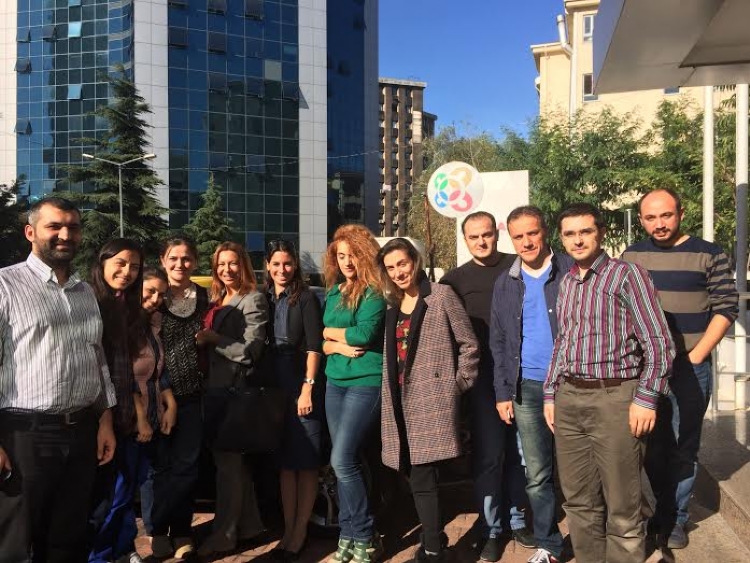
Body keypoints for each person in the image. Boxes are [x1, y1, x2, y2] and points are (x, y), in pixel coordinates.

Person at [543, 203, 675, 563]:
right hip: (570, 398)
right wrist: (551, 393)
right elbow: (563, 342)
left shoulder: (627, 275)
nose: (577, 240)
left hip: (616, 397)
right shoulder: (567, 282)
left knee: (622, 503)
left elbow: (658, 341)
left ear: (600, 233)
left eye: (585, 231)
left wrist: (646, 398)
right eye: (569, 234)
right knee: (579, 501)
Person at [0, 197, 117, 562]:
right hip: (24, 436)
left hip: (81, 432)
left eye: (73, 227)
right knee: (16, 545)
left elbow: (96, 358)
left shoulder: (85, 292)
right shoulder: (5, 285)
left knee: (68, 540)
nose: (65, 235)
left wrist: (105, 420)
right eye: (54, 226)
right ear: (30, 232)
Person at [621, 188, 739, 549]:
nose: (659, 223)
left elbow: (726, 307)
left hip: (690, 368)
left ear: (681, 213)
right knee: (652, 447)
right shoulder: (631, 257)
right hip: (646, 371)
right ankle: (663, 510)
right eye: (651, 217)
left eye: (666, 215)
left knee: (683, 447)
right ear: (642, 220)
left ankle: (675, 519)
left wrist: (698, 355)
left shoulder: (709, 254)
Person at [378, 238, 479, 562]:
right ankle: (435, 540)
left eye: (402, 263)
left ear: (415, 261)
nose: (398, 272)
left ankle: (433, 550)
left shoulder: (441, 295)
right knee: (415, 474)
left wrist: (456, 385)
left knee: (422, 476)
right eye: (391, 267)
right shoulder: (393, 305)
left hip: (432, 400)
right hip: (400, 402)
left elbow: (469, 344)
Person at [440, 211, 532, 562]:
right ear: (465, 240)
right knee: (490, 457)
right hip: (483, 382)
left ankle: (517, 519)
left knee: (521, 455)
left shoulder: (519, 267)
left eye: (486, 234)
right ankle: (491, 528)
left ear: (497, 233)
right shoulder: (453, 281)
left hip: (522, 376)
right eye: (474, 236)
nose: (481, 241)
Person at [490, 206, 573, 563]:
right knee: (537, 474)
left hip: (572, 385)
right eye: (518, 236)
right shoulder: (506, 282)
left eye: (532, 233)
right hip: (527, 387)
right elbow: (498, 341)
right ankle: (549, 544)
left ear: (545, 232)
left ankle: (593, 538)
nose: (526, 242)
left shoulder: (570, 270)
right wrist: (502, 392)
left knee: (579, 470)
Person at [197, 242, 268, 557]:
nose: (227, 269)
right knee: (233, 466)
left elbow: (251, 352)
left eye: (233, 263)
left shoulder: (253, 299)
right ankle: (251, 526)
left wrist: (214, 339)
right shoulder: (218, 298)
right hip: (213, 389)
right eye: (221, 264)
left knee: (228, 467)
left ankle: (224, 536)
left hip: (234, 392)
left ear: (244, 265)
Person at [322, 224, 388, 563]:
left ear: (366, 255)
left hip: (366, 382)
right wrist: (335, 342)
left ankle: (365, 534)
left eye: (353, 255)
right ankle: (347, 534)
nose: (347, 262)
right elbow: (321, 338)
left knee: (342, 459)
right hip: (335, 382)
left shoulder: (374, 293)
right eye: (341, 256)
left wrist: (332, 335)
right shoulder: (334, 292)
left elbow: (364, 335)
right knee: (346, 462)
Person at [87, 238, 147, 563]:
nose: (127, 272)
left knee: (122, 493)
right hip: (96, 418)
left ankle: (121, 549)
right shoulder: (90, 302)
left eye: (134, 267)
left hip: (123, 416)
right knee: (101, 500)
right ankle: (99, 555)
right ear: (103, 263)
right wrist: (103, 417)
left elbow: (127, 370)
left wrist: (136, 414)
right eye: (120, 263)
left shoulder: (127, 307)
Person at [265, 240, 324, 561]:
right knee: (286, 465)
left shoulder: (306, 298)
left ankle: (300, 531)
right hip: (275, 387)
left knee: (306, 462)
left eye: (287, 263)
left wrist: (307, 388)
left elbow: (314, 346)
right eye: (276, 264)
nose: (282, 270)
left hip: (301, 382)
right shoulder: (265, 297)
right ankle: (288, 530)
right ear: (268, 266)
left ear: (295, 265)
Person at [150, 237, 209, 559]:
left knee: (186, 467)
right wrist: (162, 392)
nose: (180, 264)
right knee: (159, 468)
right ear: (163, 260)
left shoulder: (205, 296)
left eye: (186, 258)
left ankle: (182, 531)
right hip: (158, 396)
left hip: (193, 396)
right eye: (173, 258)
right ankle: (158, 530)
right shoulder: (154, 296)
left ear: (195, 261)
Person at [134, 267, 177, 536]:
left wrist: (170, 405)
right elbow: (125, 376)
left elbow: (158, 371)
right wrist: (139, 418)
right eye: (150, 291)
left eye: (161, 294)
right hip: (130, 416)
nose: (155, 299)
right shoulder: (124, 324)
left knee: (153, 475)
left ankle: (154, 531)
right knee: (126, 483)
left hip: (153, 411)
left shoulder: (154, 324)